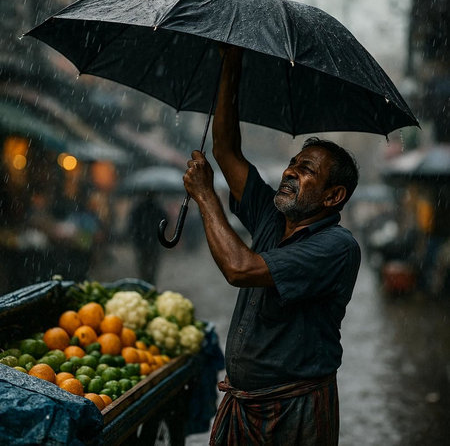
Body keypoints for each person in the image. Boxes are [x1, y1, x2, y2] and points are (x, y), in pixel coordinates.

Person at [182, 46, 361, 445]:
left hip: (294, 409)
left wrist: (205, 197)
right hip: (243, 403)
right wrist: (232, 61)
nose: (290, 172)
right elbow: (226, 150)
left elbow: (240, 270)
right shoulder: (272, 216)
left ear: (333, 197)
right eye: (293, 163)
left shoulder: (336, 246)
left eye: (306, 170)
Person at [129, 194, 167, 285]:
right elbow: (165, 220)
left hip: (141, 241)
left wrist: (134, 235)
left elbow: (131, 224)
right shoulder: (158, 208)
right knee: (153, 265)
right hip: (154, 240)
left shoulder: (138, 208)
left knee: (143, 264)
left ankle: (144, 282)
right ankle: (150, 282)